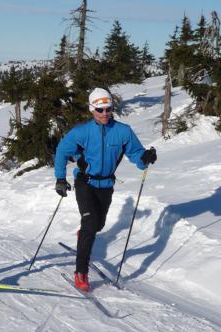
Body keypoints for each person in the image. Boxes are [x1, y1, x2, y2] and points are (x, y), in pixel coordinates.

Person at [54, 88, 157, 292]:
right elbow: (62, 151)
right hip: (85, 182)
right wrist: (60, 178)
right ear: (92, 109)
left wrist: (145, 158)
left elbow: (135, 153)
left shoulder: (123, 131)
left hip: (106, 185)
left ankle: (84, 233)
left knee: (97, 225)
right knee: (91, 223)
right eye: (100, 109)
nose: (104, 113)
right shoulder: (81, 131)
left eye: (108, 108)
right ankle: (81, 271)